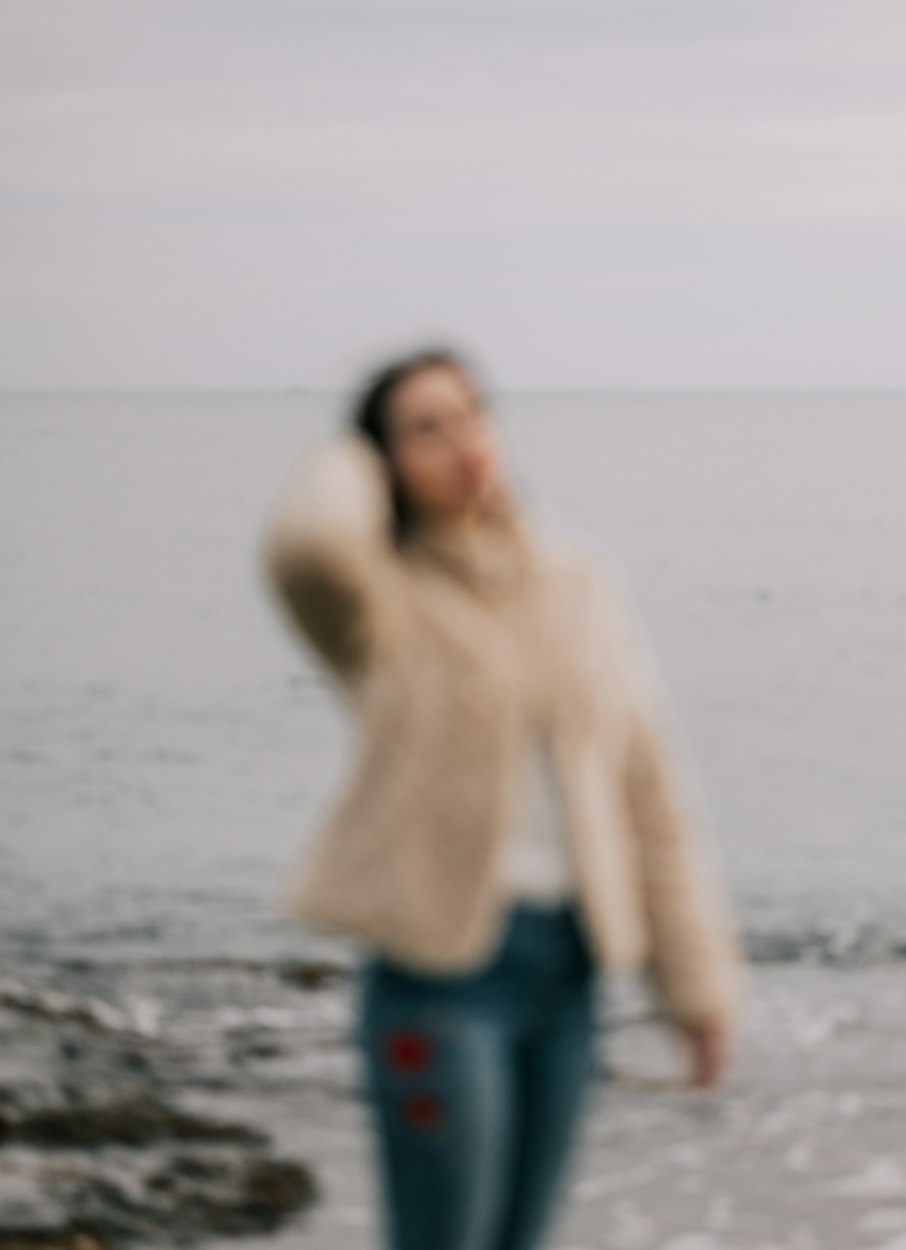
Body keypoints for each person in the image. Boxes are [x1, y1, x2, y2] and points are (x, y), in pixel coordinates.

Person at [257, 345, 747, 1250]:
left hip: (567, 970)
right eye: (424, 430)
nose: (461, 443)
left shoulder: (578, 583)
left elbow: (649, 790)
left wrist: (697, 988)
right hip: (440, 976)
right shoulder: (379, 599)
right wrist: (350, 451)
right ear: (386, 462)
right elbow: (306, 544)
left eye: (472, 416)